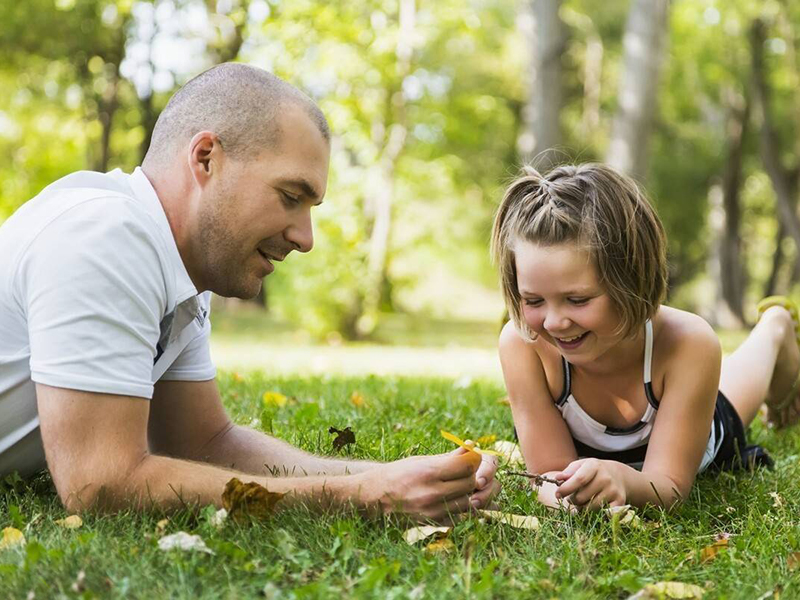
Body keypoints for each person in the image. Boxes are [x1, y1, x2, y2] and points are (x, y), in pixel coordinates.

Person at [0, 63, 498, 521]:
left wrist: (391, 477)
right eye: (289, 197)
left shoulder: (177, 272)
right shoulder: (106, 235)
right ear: (206, 159)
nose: (305, 237)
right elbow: (101, 486)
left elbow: (207, 441)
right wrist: (364, 498)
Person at [491, 162, 798, 511]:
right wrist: (570, 497)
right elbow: (548, 474)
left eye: (577, 300)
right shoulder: (522, 345)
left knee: (735, 395)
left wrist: (622, 480)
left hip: (696, 430)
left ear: (631, 280)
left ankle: (775, 327)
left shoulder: (689, 342)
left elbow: (669, 487)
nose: (555, 322)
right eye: (533, 301)